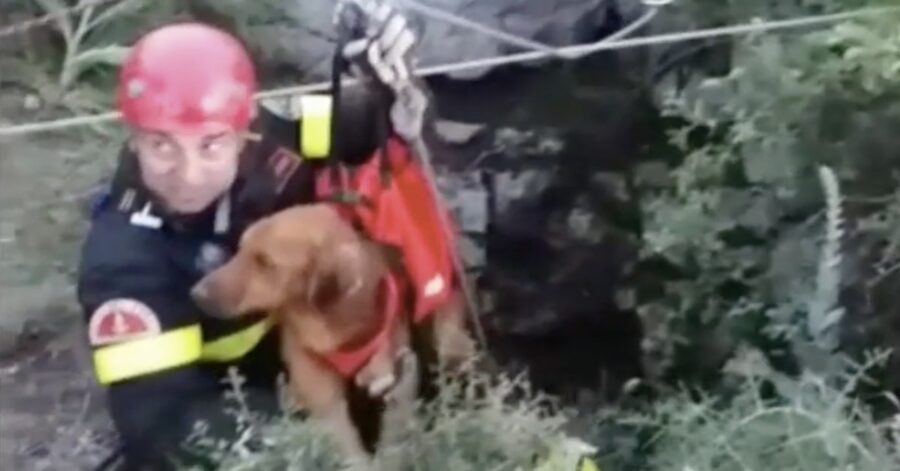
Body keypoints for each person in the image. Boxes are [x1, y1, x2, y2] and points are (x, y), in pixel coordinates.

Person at [76, 5, 422, 469]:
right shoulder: (123, 265)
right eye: (161, 145)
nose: (188, 174)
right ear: (133, 137)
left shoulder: (277, 138)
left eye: (211, 144)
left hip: (316, 351)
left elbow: (375, 122)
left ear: (245, 132)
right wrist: (302, 442)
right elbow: (160, 421)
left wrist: (395, 85)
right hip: (235, 399)